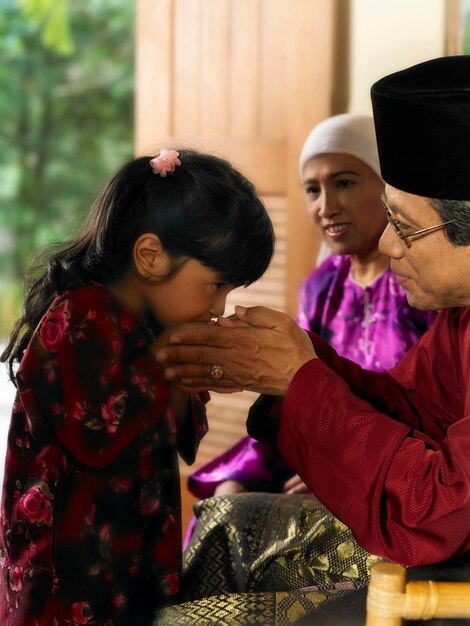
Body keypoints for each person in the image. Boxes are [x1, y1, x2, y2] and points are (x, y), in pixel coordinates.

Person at [156, 54, 470, 579]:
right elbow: (415, 410)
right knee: (226, 525)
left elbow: (436, 512)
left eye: (408, 227)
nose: (390, 244)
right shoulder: (460, 316)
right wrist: (297, 362)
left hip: (440, 564)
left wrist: (299, 379)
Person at [0, 148, 274, 625]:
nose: (219, 306)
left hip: (131, 562)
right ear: (150, 256)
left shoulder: (147, 322)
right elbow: (102, 437)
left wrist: (196, 375)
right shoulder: (79, 315)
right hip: (67, 580)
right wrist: (171, 366)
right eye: (215, 286)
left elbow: (177, 435)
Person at [185, 114, 435, 521]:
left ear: (390, 188)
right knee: (222, 509)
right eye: (312, 189)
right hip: (318, 461)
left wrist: (340, 474)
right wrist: (240, 478)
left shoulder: (427, 285)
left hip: (400, 478)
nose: (326, 206)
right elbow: (291, 394)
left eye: (345, 182)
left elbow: (436, 414)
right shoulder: (320, 289)